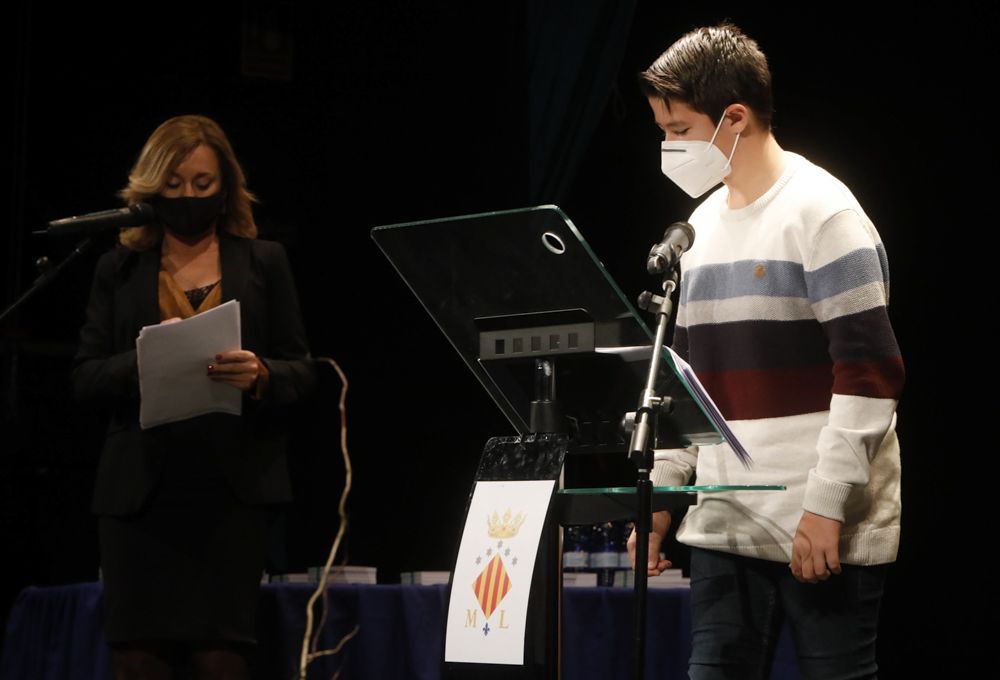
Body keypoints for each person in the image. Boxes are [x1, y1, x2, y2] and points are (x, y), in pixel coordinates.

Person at [626, 24, 904, 679]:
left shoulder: (823, 213)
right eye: (662, 128)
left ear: (735, 118)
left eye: (679, 128)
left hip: (823, 529)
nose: (668, 145)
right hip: (727, 525)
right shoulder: (693, 232)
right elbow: (682, 386)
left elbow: (869, 375)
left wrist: (825, 504)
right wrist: (662, 507)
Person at [74, 114, 316, 679]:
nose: (187, 197)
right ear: (151, 187)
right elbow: (84, 378)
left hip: (230, 492)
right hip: (140, 496)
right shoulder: (119, 267)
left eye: (202, 185)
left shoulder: (264, 261)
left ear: (225, 185)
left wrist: (260, 374)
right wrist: (145, 363)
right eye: (174, 185)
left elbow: (302, 370)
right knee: (138, 657)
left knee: (221, 656)